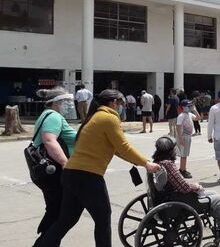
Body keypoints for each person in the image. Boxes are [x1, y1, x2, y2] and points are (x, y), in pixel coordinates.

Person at [34, 89, 160, 247]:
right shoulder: (108, 118)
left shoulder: (93, 117)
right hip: (88, 176)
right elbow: (123, 146)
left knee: (66, 220)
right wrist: (146, 164)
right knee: (103, 219)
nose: (121, 108)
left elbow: (115, 149)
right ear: (114, 103)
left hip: (71, 174)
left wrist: (140, 161)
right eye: (120, 104)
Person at [152, 136, 220, 241]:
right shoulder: (167, 164)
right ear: (170, 150)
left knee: (213, 193)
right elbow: (184, 188)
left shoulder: (157, 163)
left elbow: (178, 183)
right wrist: (195, 186)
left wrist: (191, 185)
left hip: (170, 197)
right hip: (179, 201)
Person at [31, 87, 77, 238]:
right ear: (56, 103)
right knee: (60, 212)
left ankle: (45, 239)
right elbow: (50, 141)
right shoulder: (53, 117)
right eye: (65, 102)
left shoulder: (49, 115)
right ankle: (45, 241)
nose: (68, 105)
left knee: (55, 209)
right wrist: (66, 164)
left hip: (49, 170)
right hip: (53, 170)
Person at [176, 99, 200, 179]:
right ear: (183, 107)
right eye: (188, 106)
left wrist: (195, 110)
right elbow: (178, 127)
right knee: (183, 154)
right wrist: (180, 138)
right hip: (183, 136)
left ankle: (183, 169)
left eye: (190, 106)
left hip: (188, 136)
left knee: (185, 154)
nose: (189, 107)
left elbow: (198, 118)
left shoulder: (189, 114)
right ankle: (182, 170)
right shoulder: (181, 115)